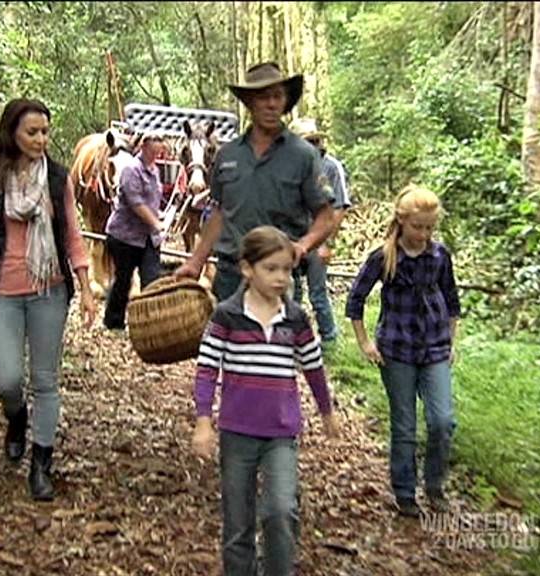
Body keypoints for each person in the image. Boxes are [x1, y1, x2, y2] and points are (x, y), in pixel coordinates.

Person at [0, 98, 97, 501]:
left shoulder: (56, 178)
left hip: (49, 290)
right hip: (2, 292)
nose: (40, 139)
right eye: (32, 132)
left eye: (45, 132)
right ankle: (16, 419)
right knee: (7, 380)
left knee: (46, 381)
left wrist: (86, 288)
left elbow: (72, 236)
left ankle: (41, 464)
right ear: (12, 133)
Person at [191, 225, 338, 576]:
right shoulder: (227, 316)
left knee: (281, 510)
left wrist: (327, 411)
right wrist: (203, 422)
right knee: (237, 521)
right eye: (270, 269)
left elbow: (313, 367)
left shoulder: (296, 319)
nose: (280, 278)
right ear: (247, 269)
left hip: (281, 433)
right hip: (237, 431)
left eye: (286, 270)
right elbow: (207, 369)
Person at [344, 184, 461, 518]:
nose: (423, 234)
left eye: (429, 228)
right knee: (405, 424)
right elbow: (355, 300)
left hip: (435, 347)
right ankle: (405, 491)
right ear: (402, 221)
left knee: (442, 421)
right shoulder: (383, 257)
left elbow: (452, 300)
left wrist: (451, 341)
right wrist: (365, 342)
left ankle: (435, 485)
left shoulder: (439, 255)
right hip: (396, 349)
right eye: (417, 227)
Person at [173, 62, 334, 301]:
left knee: (278, 326)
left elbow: (326, 215)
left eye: (277, 96)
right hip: (230, 274)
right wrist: (196, 262)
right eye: (263, 97)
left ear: (285, 102)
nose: (271, 104)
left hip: (277, 276)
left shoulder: (303, 155)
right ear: (249, 102)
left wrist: (303, 245)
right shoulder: (227, 156)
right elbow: (219, 212)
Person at [288, 118, 352, 349]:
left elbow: (339, 208)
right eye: (308, 142)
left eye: (315, 141)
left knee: (317, 293)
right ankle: (293, 341)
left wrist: (328, 243)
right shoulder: (288, 166)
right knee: (291, 292)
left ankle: (329, 340)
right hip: (293, 238)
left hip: (318, 239)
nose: (313, 146)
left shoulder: (331, 167)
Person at [101, 132, 167, 331]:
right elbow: (135, 202)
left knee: (152, 280)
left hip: (148, 238)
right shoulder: (131, 169)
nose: (160, 146)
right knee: (123, 280)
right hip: (125, 237)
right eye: (156, 141)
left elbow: (152, 201)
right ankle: (114, 322)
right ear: (145, 145)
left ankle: (149, 324)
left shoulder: (155, 171)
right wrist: (155, 222)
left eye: (161, 142)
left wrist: (161, 216)